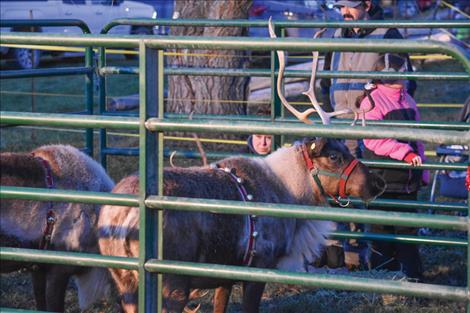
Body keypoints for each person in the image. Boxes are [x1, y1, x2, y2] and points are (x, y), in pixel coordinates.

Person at [359, 53, 427, 280]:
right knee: (383, 231)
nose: (406, 74)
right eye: (402, 70)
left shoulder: (407, 99)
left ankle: (413, 279)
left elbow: (417, 139)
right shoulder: (372, 101)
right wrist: (405, 153)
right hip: (384, 180)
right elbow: (374, 139)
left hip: (408, 181)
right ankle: (384, 282)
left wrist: (422, 171)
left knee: (408, 230)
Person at [321, 0, 416, 157]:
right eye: (341, 7)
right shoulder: (337, 35)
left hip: (371, 128)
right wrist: (328, 116)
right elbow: (325, 80)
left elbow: (406, 85)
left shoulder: (387, 35)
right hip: (338, 123)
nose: (345, 11)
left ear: (367, 5)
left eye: (350, 6)